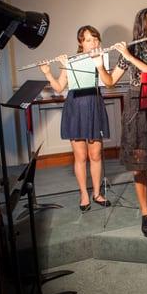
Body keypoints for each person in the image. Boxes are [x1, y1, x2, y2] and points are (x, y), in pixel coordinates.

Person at [94, 8, 147, 238]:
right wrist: (99, 64)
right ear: (141, 28)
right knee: (139, 166)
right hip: (136, 112)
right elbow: (110, 82)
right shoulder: (130, 49)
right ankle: (145, 214)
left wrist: (131, 57)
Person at [39, 25, 111, 212]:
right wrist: (48, 72)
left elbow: (108, 82)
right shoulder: (70, 60)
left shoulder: (101, 58)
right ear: (80, 42)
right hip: (76, 106)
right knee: (80, 156)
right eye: (88, 40)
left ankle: (96, 193)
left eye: (96, 39)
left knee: (95, 155)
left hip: (94, 104)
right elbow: (59, 87)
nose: (93, 43)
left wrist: (99, 64)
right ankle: (84, 194)